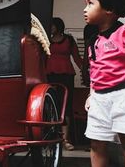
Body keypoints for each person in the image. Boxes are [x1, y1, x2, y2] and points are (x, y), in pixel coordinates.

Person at [83, 0, 125, 167]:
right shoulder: (93, 40)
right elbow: (95, 69)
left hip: (124, 96)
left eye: (90, 3)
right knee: (97, 144)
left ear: (110, 9)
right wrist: (91, 94)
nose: (85, 9)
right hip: (99, 98)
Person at [46, 17, 83, 150]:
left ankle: (65, 140)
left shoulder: (69, 39)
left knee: (65, 106)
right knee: (50, 106)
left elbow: (77, 58)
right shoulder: (45, 39)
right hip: (49, 76)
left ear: (59, 26)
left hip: (66, 76)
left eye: (53, 26)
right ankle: (52, 138)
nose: (51, 28)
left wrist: (88, 71)